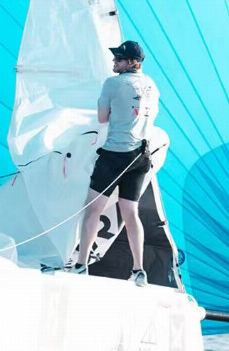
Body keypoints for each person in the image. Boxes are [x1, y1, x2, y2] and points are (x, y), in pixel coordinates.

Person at [69, 40, 159, 286]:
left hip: (115, 155)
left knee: (92, 210)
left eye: (119, 58)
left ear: (132, 62)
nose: (114, 61)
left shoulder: (112, 83)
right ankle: (139, 271)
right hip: (140, 157)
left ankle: (81, 265)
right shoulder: (152, 85)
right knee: (130, 213)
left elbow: (102, 118)